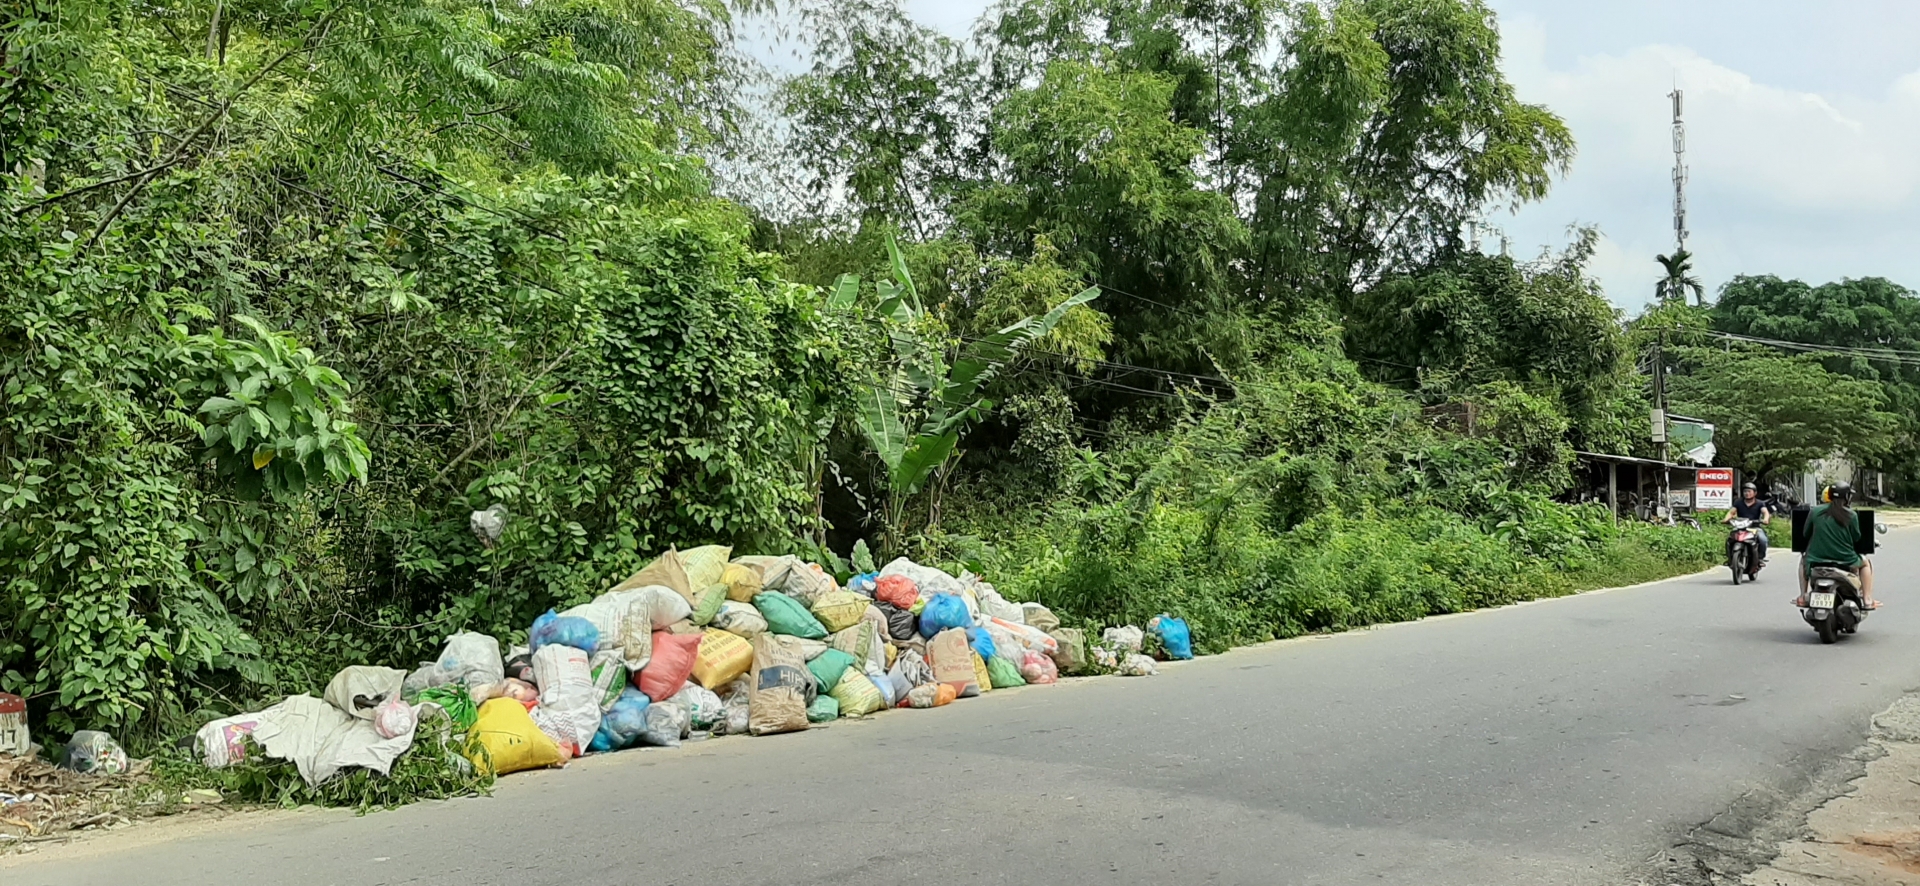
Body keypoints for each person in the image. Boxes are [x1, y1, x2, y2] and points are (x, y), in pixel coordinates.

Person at [1796, 482, 1877, 609]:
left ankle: (1802, 596)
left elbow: (1806, 533)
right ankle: (1867, 599)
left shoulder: (1815, 511)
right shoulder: (1851, 515)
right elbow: (1857, 537)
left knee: (1803, 560)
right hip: (1846, 560)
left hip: (1816, 561)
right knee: (1866, 563)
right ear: (1847, 497)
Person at [1724, 481, 1771, 565]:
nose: (1747, 493)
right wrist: (1726, 519)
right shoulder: (1738, 502)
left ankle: (1760, 558)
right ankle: (1730, 558)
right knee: (1730, 539)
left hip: (1754, 528)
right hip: (1740, 527)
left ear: (1755, 493)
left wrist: (1765, 519)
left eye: (1749, 491)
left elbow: (1765, 512)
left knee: (1763, 540)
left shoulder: (1760, 503)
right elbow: (1731, 512)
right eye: (1745, 491)